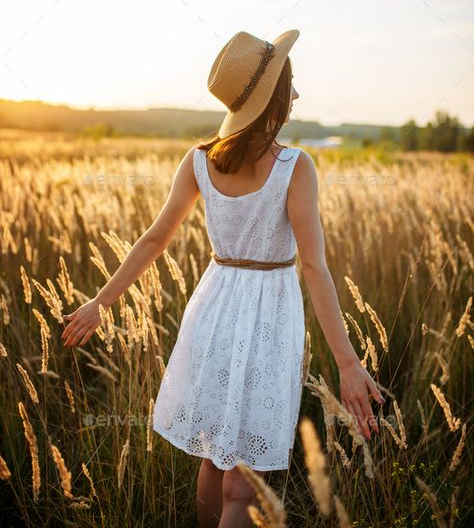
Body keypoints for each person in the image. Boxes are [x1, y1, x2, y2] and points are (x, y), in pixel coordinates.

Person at [61, 29, 384, 528]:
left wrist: (100, 303)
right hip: (271, 318)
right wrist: (346, 362)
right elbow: (315, 267)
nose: (295, 96)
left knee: (214, 454)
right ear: (273, 98)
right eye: (289, 86)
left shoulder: (198, 160)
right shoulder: (296, 167)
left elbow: (154, 240)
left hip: (212, 308)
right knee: (244, 482)